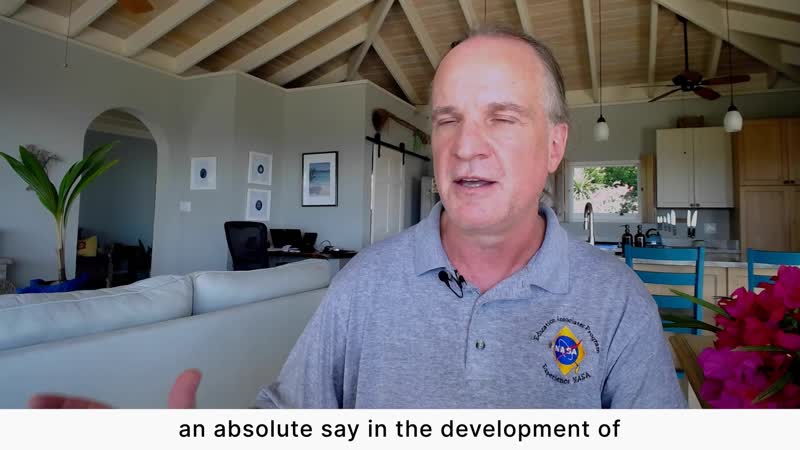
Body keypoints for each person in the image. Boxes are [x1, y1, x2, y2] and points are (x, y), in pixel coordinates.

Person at [30, 27, 685, 409]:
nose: (466, 146)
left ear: (555, 145)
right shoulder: (364, 282)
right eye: (448, 120)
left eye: (502, 118)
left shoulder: (618, 302)